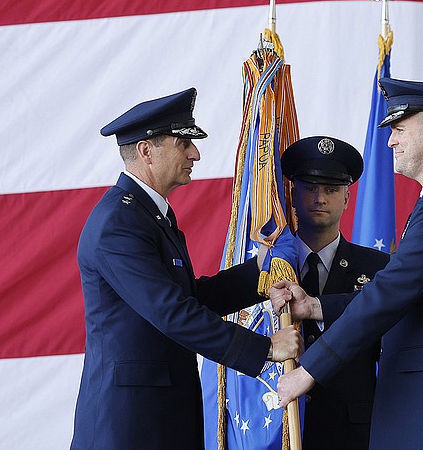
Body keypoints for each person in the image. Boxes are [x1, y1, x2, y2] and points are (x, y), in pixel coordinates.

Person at [274, 78, 423, 449]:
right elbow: (408, 291)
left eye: (400, 129)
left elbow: (391, 292)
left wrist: (309, 370)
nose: (390, 141)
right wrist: (316, 305)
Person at [70, 88, 303, 450]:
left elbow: (189, 296)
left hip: (160, 414)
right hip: (128, 424)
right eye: (183, 143)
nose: (195, 153)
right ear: (147, 151)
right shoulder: (118, 223)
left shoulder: (149, 215)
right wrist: (266, 349)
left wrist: (261, 274)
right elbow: (172, 312)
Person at [280, 136, 390, 450]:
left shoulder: (381, 268)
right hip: (278, 424)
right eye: (311, 188)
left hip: (352, 432)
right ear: (294, 193)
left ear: (346, 199)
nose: (320, 199)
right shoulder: (267, 269)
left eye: (331, 190)